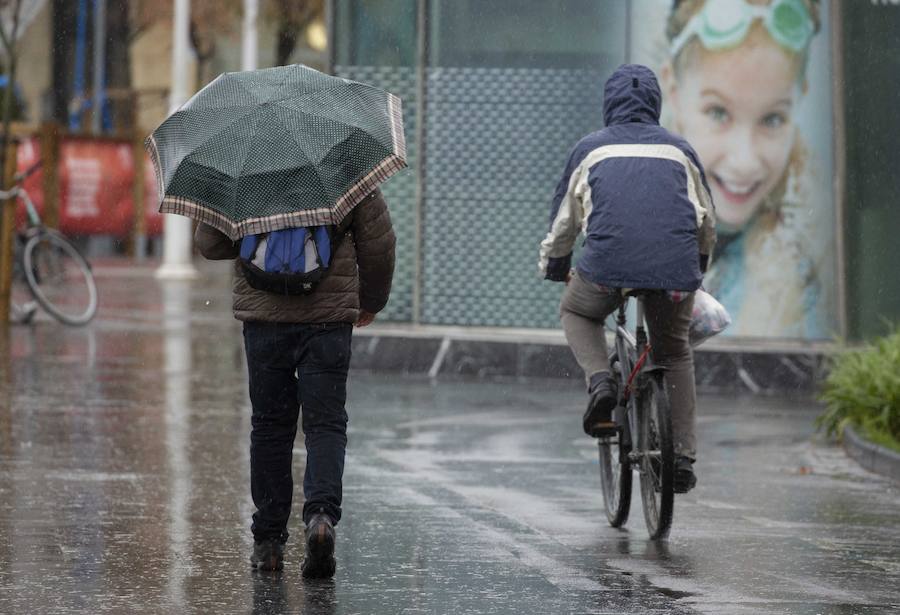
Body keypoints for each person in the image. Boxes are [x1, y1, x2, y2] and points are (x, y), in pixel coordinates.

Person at [195, 189, 396, 578]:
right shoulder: (347, 162)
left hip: (264, 317)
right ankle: (321, 516)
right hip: (328, 318)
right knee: (325, 423)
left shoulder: (248, 165)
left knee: (270, 427)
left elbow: (210, 242)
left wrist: (255, 232)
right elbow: (380, 241)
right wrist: (372, 300)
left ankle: (268, 541)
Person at [539, 63, 716, 493]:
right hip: (674, 269)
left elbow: (565, 222)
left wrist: (556, 267)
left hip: (606, 268)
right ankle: (683, 459)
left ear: (608, 104)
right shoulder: (681, 150)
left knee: (577, 312)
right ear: (655, 104)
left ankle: (601, 381)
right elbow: (706, 221)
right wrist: (697, 269)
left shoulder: (590, 149)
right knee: (673, 353)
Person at [659, 0, 825, 337]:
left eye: (772, 118)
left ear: (800, 101)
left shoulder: (796, 279)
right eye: (718, 113)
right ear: (673, 93)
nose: (744, 161)